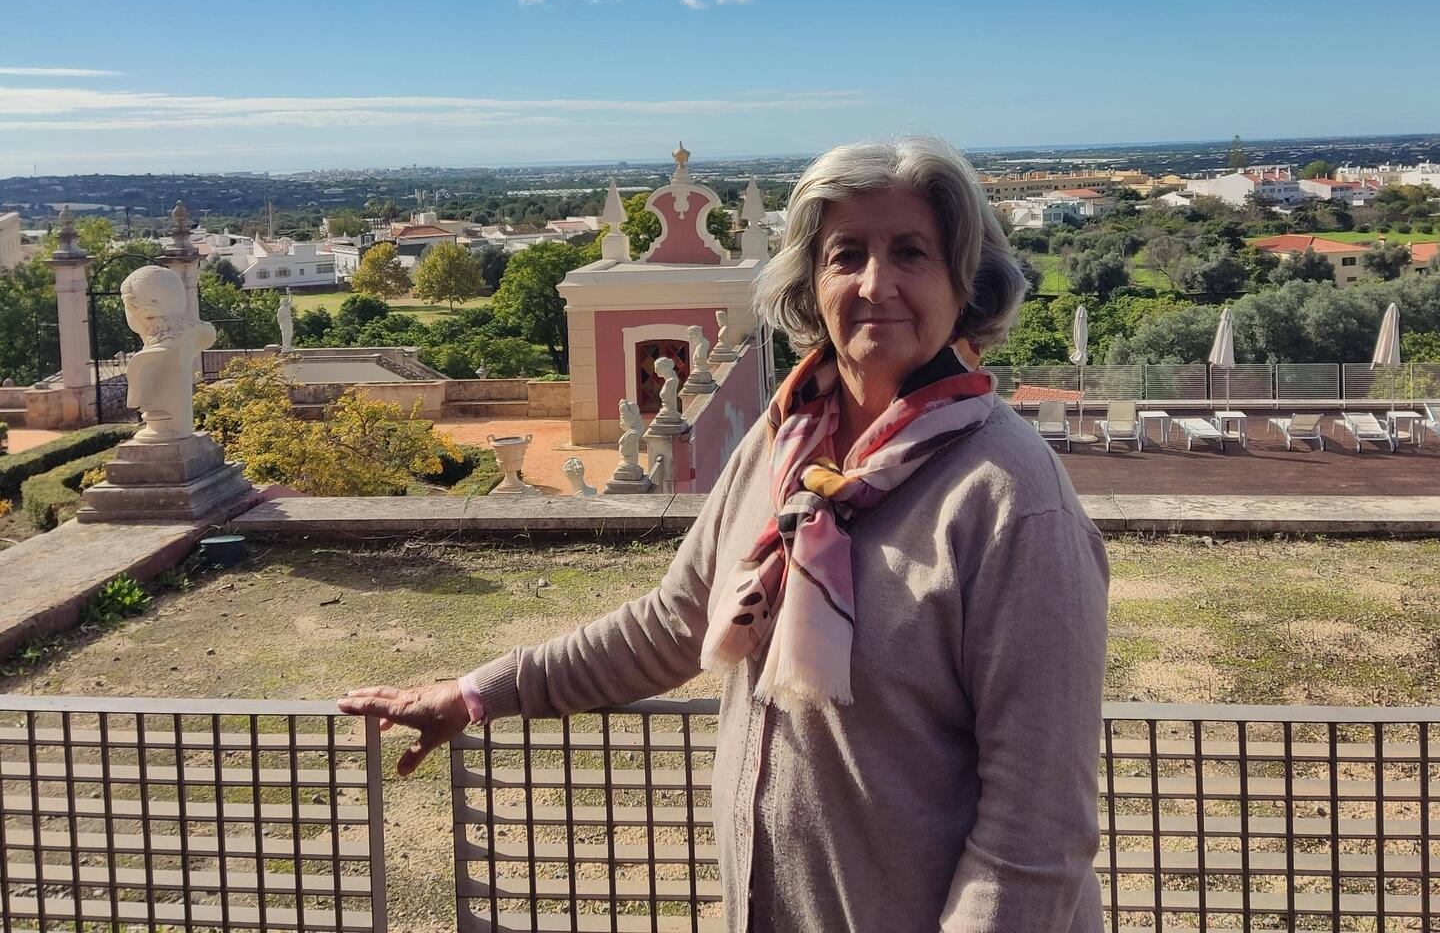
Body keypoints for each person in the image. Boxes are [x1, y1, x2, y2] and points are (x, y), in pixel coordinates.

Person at [339, 137, 1109, 932]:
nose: (876, 284)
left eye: (911, 252)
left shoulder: (1010, 499)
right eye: (846, 255)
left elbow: (1035, 832)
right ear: (810, 284)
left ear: (965, 284)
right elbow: (675, 622)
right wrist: (474, 695)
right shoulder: (782, 449)